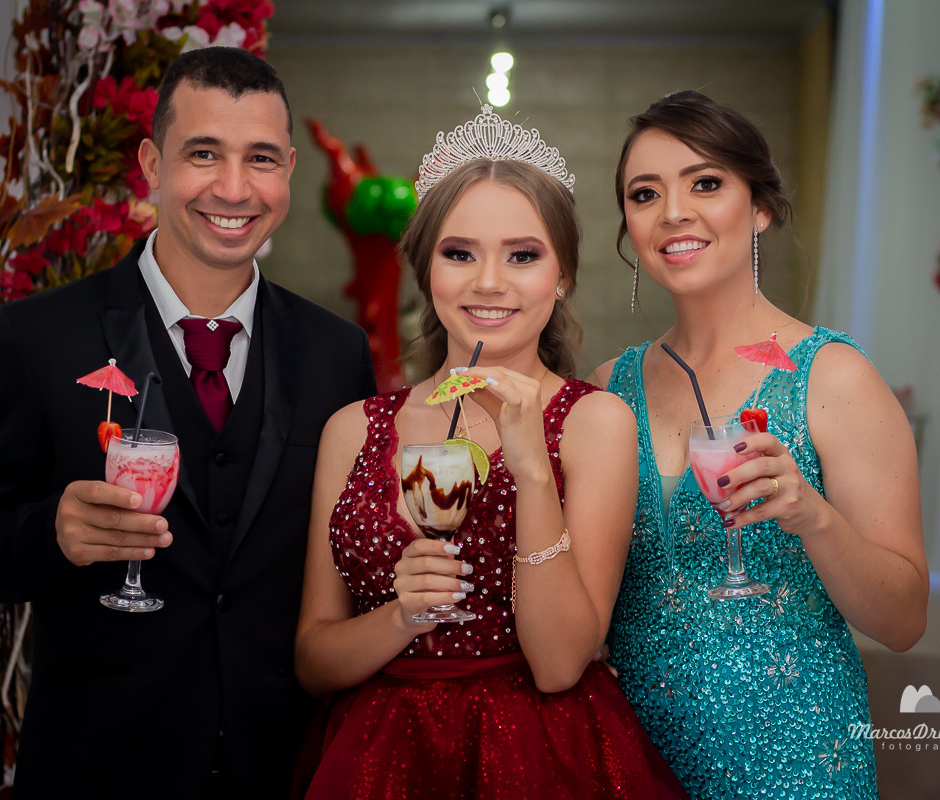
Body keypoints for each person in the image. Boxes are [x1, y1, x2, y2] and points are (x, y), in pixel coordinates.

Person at [0, 47, 376, 799]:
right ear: (151, 161)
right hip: (97, 768)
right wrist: (54, 531)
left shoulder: (337, 352)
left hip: (284, 769)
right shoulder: (41, 336)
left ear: (290, 170)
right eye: (203, 153)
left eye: (261, 158)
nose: (234, 188)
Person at [294, 105, 687, 799]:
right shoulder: (353, 429)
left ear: (561, 275)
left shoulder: (596, 423)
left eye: (523, 255)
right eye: (459, 253)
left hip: (541, 758)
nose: (489, 283)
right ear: (425, 268)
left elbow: (562, 663)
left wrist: (533, 470)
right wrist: (399, 616)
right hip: (379, 756)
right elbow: (313, 659)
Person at [591, 91, 929, 799]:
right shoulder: (606, 390)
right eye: (645, 193)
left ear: (761, 208)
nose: (674, 211)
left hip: (796, 760)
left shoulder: (833, 376)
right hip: (632, 759)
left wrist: (814, 517)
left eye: (706, 183)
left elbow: (904, 620)